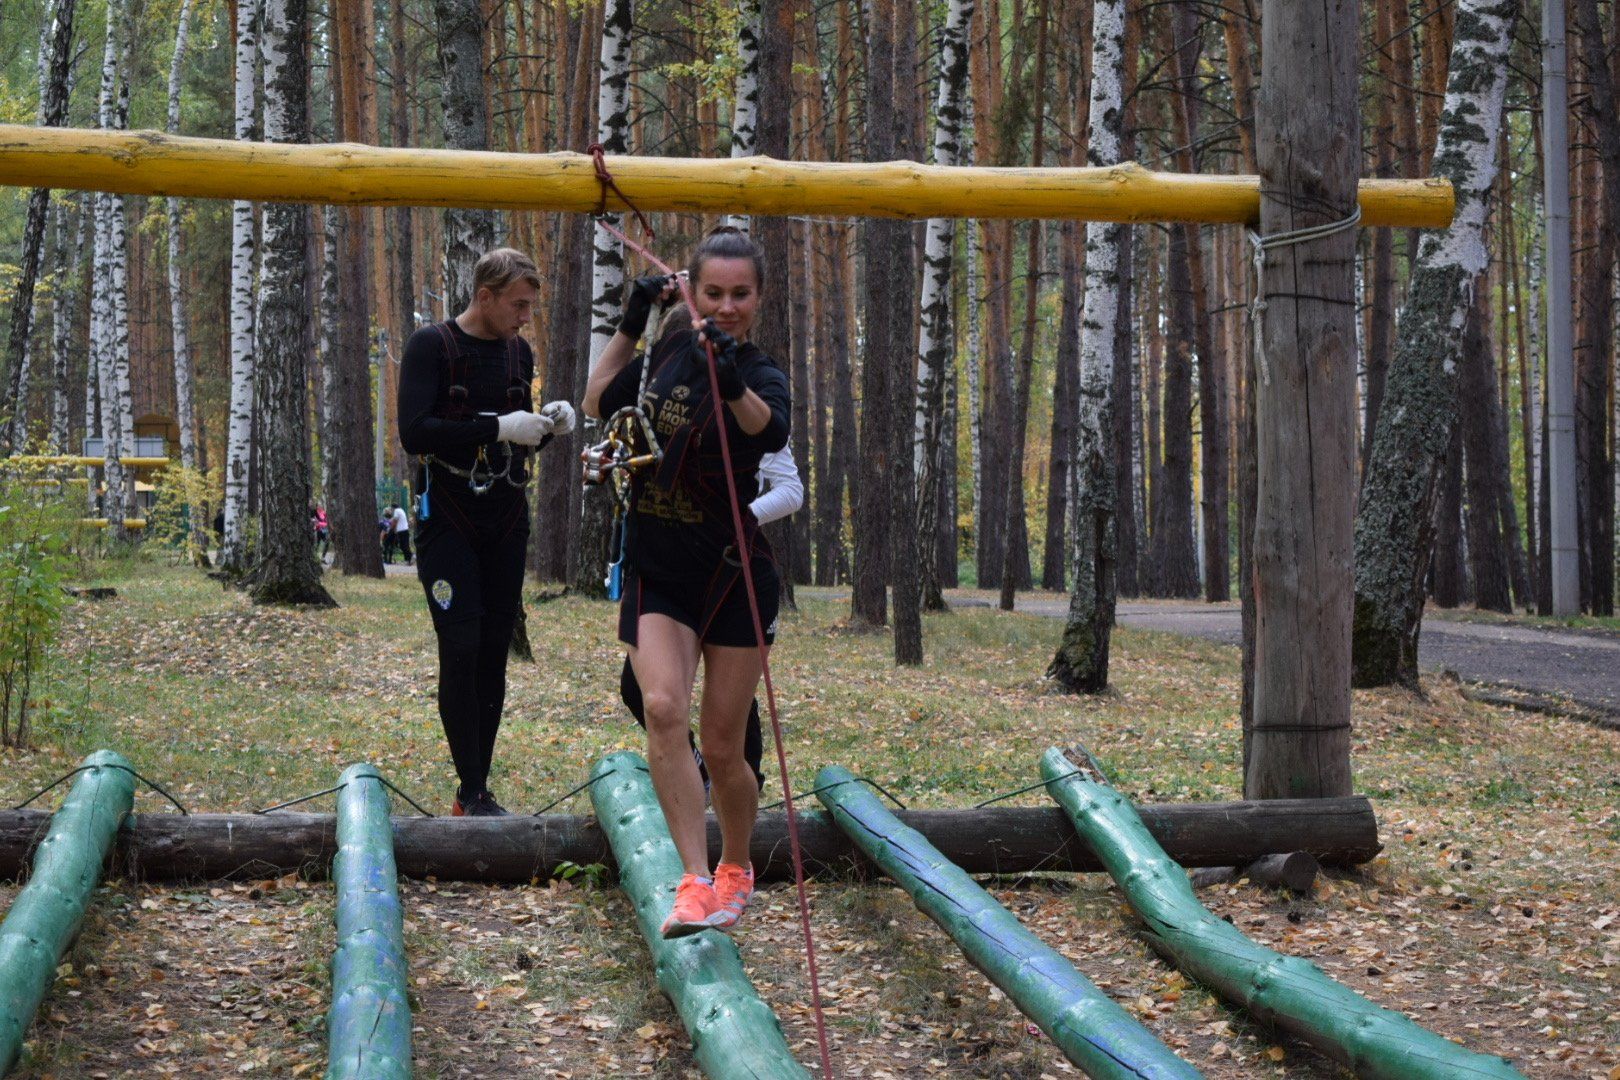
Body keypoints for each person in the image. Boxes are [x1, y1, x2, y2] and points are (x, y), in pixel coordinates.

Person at [584, 227, 789, 938]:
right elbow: (597, 398)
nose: (727, 306)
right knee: (663, 709)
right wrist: (633, 318)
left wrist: (731, 381)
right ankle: (694, 880)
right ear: (690, 292)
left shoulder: (758, 371)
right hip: (657, 567)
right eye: (714, 293)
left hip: (732, 577)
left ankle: (735, 869)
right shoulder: (667, 349)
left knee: (725, 746)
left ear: (758, 298)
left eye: (740, 294)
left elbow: (766, 430)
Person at [399, 247, 576, 816]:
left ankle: (475, 789)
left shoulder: (518, 353)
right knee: (462, 643)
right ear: (485, 297)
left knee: (495, 648)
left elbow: (513, 437)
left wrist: (547, 426)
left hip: (504, 513)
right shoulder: (432, 346)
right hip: (448, 512)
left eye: (531, 306)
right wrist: (501, 424)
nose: (526, 317)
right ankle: (471, 788)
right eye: (519, 305)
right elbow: (416, 432)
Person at [617, 302, 805, 798]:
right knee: (642, 692)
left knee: (733, 708)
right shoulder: (659, 402)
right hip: (664, 565)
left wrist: (737, 516)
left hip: (727, 566)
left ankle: (745, 783)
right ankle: (691, 765)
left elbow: (790, 490)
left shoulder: (751, 402)